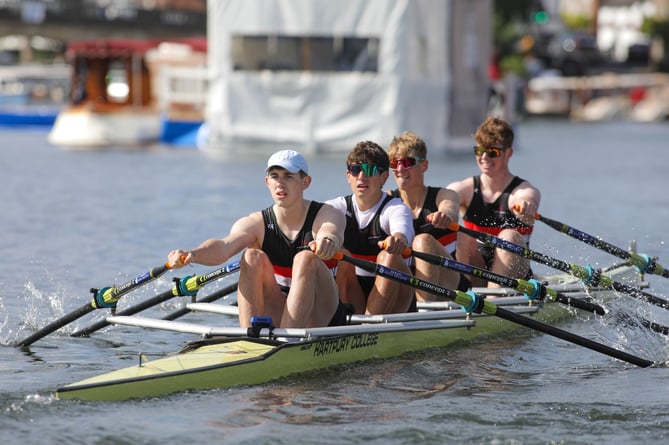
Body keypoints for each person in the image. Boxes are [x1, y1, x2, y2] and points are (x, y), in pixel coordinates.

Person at [167, 149, 349, 329]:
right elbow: (223, 247)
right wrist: (193, 254)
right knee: (251, 256)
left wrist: (327, 241)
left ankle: (288, 341)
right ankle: (250, 337)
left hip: (322, 312)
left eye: (288, 176)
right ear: (267, 182)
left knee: (305, 257)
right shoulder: (256, 222)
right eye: (275, 176)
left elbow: (331, 231)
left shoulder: (326, 213)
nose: (280, 183)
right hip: (279, 307)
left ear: (305, 182)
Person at [447, 117, 541, 288]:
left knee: (508, 236)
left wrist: (525, 205)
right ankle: (465, 294)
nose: (484, 157)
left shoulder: (521, 191)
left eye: (492, 152)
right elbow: (447, 198)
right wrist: (444, 210)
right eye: (479, 151)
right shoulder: (464, 189)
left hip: (516, 272)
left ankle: (493, 300)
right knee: (461, 234)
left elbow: (528, 197)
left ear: (508, 153)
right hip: (477, 269)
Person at [326, 140, 415, 315]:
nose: (361, 176)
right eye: (355, 169)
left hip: (397, 293)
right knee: (342, 256)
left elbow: (402, 229)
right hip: (354, 290)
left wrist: (398, 239)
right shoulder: (336, 207)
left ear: (383, 177)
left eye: (369, 170)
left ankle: (367, 326)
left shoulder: (395, 207)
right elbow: (314, 220)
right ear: (348, 176)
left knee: (388, 256)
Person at [386, 131, 470, 301]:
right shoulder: (386, 200)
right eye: (395, 163)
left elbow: (451, 208)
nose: (400, 169)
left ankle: (424, 311)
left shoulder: (443, 195)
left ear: (424, 166)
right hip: (409, 281)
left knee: (422, 240)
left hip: (449, 282)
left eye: (408, 162)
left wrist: (445, 216)